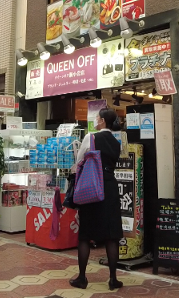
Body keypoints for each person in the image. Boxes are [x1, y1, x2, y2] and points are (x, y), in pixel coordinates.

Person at [69, 108, 124, 291]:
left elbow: (79, 161)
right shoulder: (117, 142)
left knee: (85, 235)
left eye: (97, 118)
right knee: (112, 236)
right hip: (110, 187)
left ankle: (82, 278)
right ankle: (113, 279)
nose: (95, 120)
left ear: (101, 121)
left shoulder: (90, 138)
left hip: (92, 187)